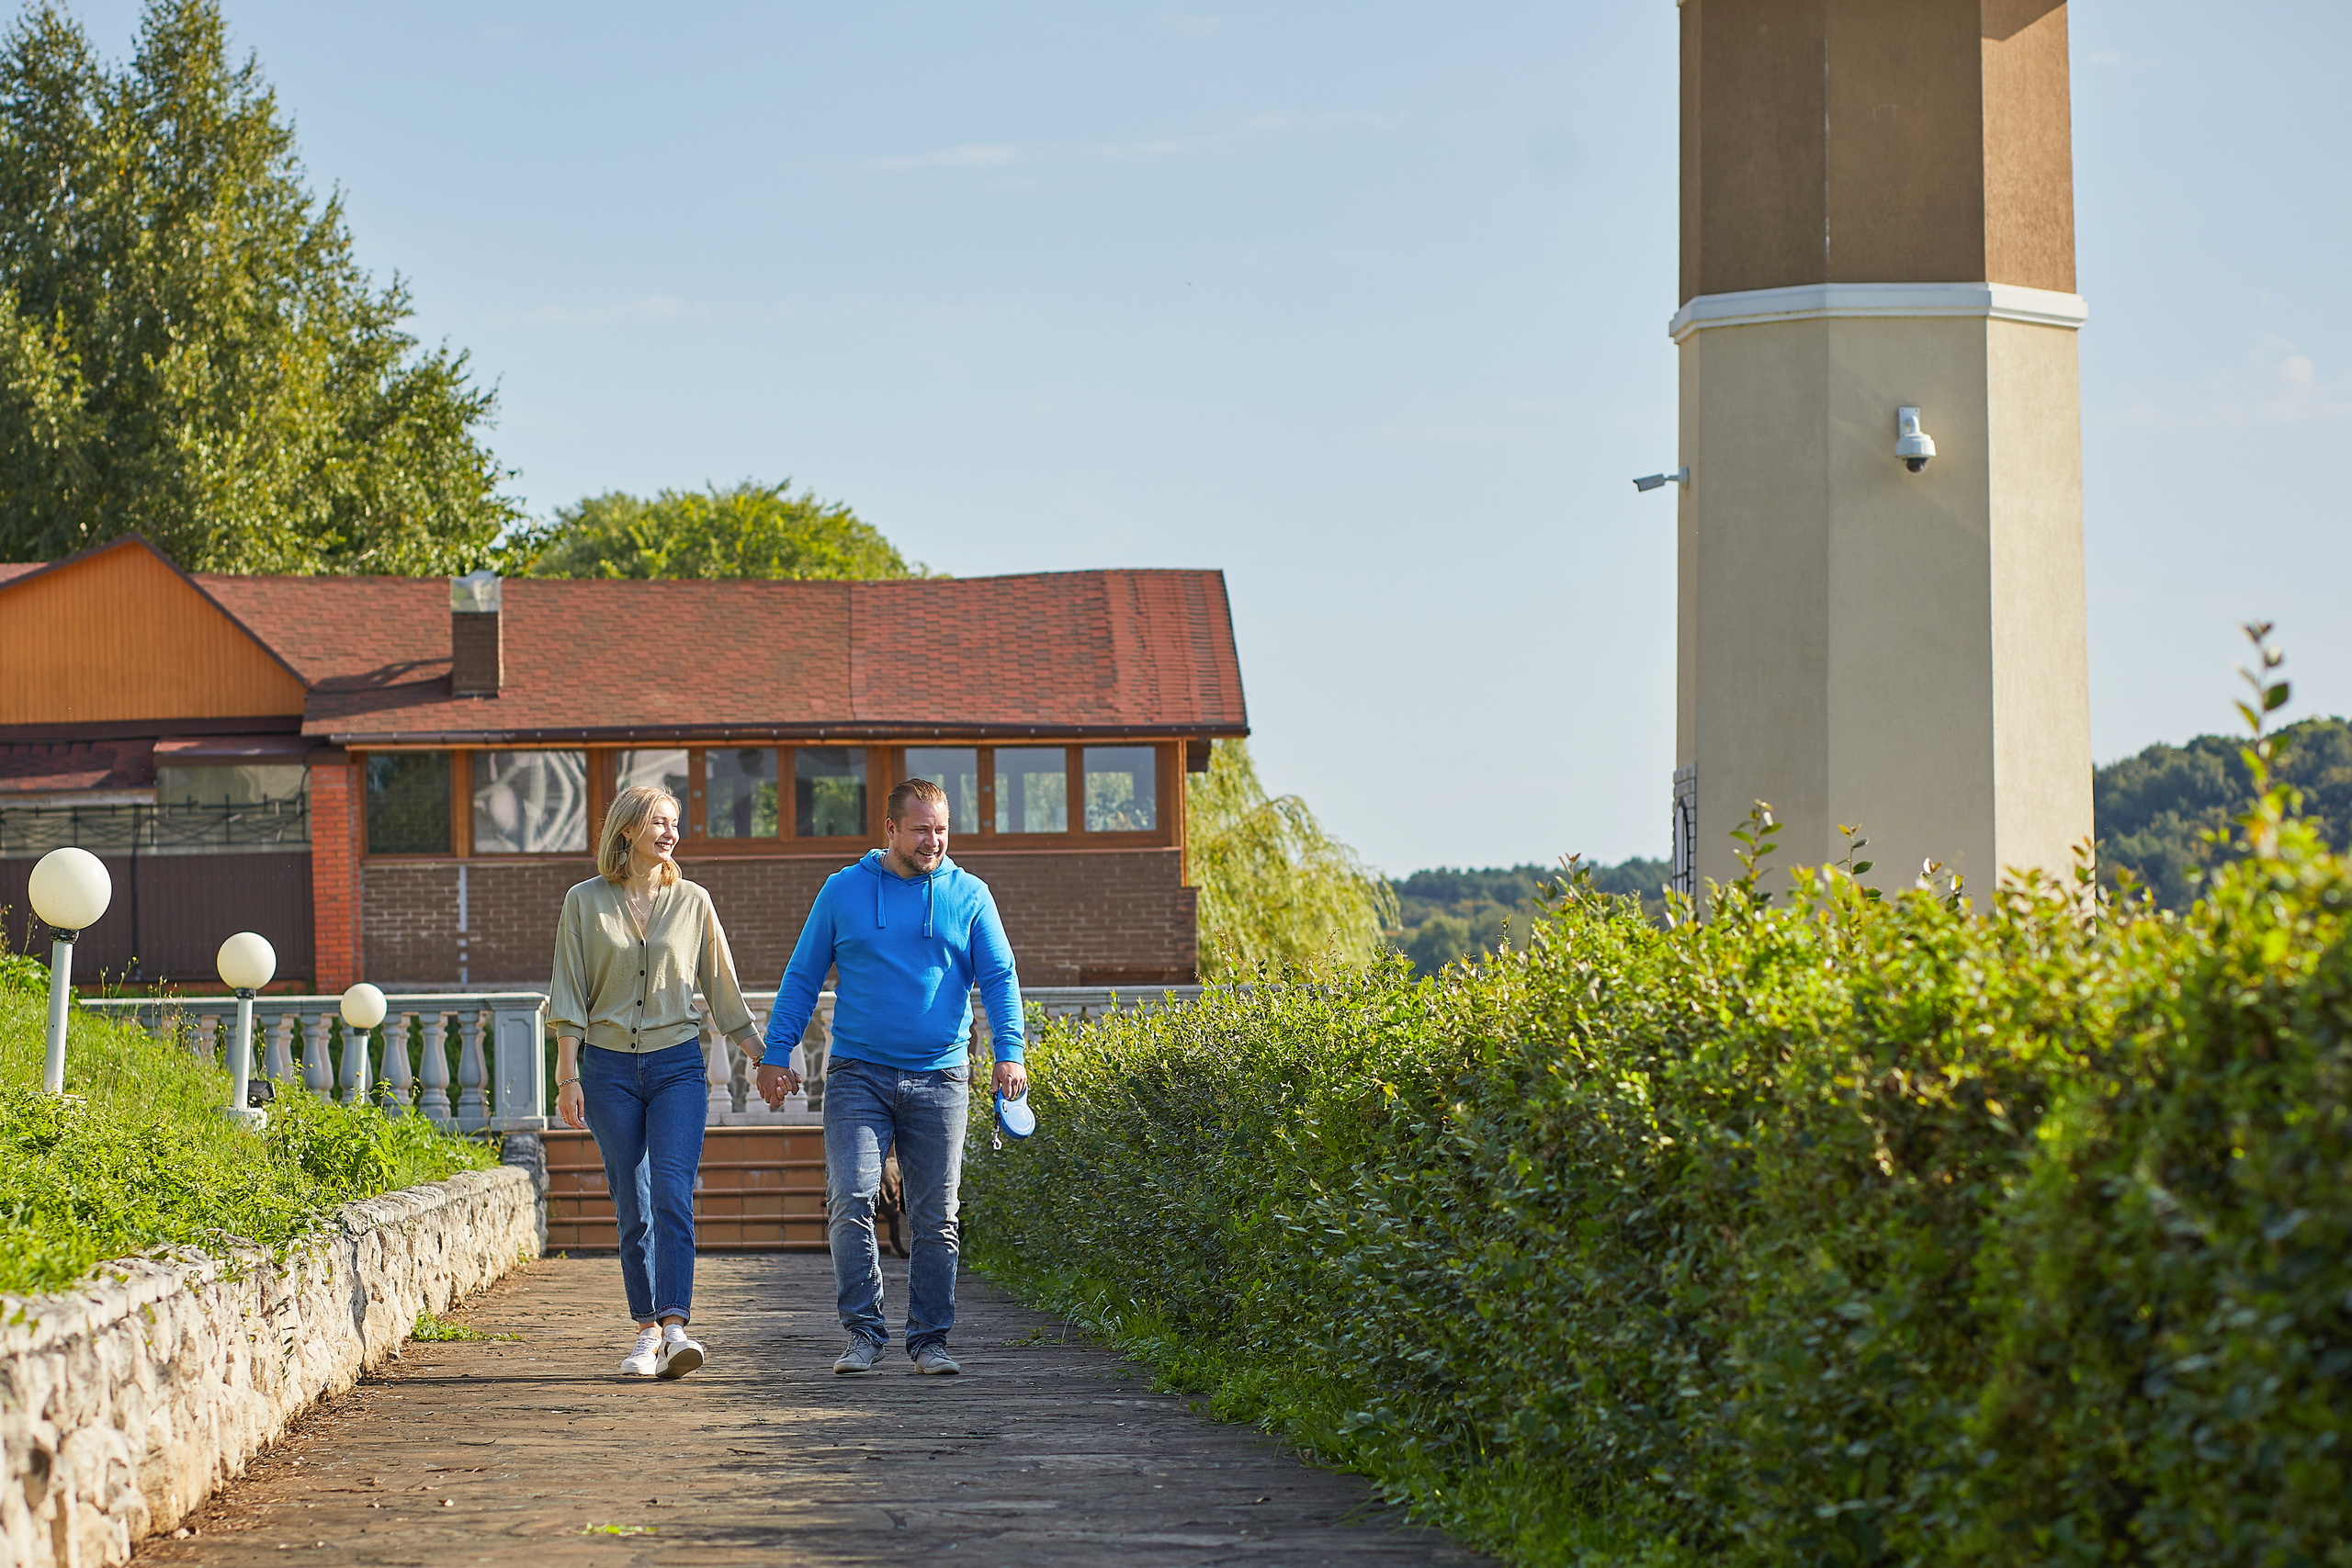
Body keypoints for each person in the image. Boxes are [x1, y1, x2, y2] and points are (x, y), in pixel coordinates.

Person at [757, 776, 1026, 1375]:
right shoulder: (843, 891)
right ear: (890, 830)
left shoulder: (970, 894)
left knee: (937, 1215)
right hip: (857, 1073)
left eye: (942, 829)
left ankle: (930, 1340)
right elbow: (803, 976)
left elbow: (1000, 977)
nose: (934, 840)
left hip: (941, 1077)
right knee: (849, 1198)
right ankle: (863, 1332)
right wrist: (777, 1051)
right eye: (921, 829)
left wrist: (1010, 1051)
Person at [549, 784, 791, 1379]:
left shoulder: (693, 901)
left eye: (674, 823)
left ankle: (677, 1325)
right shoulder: (584, 901)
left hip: (677, 1066)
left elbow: (723, 989)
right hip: (606, 1070)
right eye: (659, 821)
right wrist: (566, 1074)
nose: (670, 832)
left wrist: (763, 1057)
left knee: (671, 1193)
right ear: (628, 828)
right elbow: (568, 993)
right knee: (631, 1202)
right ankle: (646, 1331)